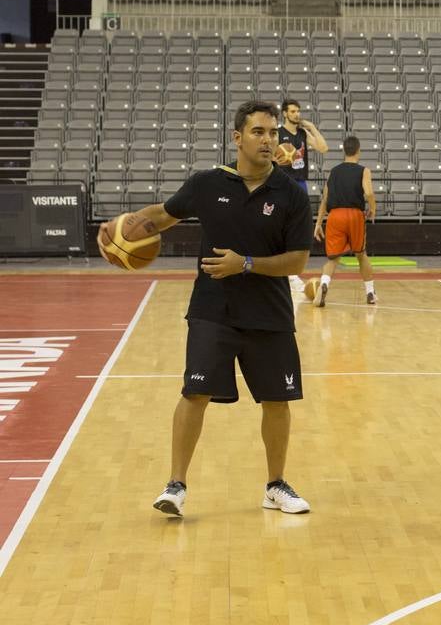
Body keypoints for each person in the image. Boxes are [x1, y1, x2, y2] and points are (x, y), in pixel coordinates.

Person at [97, 100, 314, 518]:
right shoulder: (207, 184)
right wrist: (119, 224)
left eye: (273, 133)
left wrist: (245, 263)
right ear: (237, 137)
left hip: (269, 314)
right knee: (194, 392)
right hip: (212, 309)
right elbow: (161, 216)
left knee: (276, 400)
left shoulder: (290, 194)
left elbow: (298, 261)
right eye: (259, 132)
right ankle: (175, 485)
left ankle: (275, 486)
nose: (269, 140)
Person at [312, 134, 377, 307]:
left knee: (333, 259)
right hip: (354, 215)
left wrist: (318, 223)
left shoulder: (333, 172)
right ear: (358, 151)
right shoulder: (364, 170)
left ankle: (324, 283)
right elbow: (369, 192)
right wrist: (373, 208)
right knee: (361, 255)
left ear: (344, 151)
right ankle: (370, 293)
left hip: (334, 216)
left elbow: (325, 199)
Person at [277, 99, 328, 295]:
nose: (297, 114)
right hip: (282, 184)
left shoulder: (302, 134)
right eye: (293, 111)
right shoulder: (278, 133)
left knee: (296, 229)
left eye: (298, 111)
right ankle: (282, 273)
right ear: (284, 114)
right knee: (280, 227)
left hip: (300, 184)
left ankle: (290, 274)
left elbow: (323, 148)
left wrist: (313, 128)